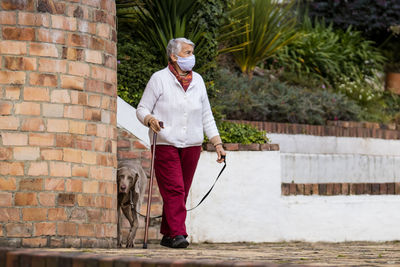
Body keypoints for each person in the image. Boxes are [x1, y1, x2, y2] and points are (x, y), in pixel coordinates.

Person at [136, 38, 226, 248]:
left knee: (181, 191)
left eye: (192, 52)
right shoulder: (159, 79)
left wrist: (217, 143)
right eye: (187, 53)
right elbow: (142, 109)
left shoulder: (199, 81)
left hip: (192, 144)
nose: (191, 57)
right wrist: (150, 120)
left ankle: (168, 234)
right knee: (175, 189)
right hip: (165, 142)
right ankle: (178, 234)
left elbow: (206, 115)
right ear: (173, 56)